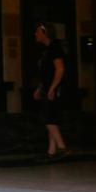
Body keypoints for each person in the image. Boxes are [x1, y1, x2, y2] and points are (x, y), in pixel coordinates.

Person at [33, 24, 68, 159]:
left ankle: (61, 147)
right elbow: (46, 73)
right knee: (51, 119)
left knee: (48, 118)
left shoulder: (55, 48)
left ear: (45, 33)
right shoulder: (46, 50)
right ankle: (51, 151)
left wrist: (52, 88)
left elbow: (60, 69)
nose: (35, 34)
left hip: (54, 88)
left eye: (37, 32)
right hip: (47, 87)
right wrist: (40, 88)